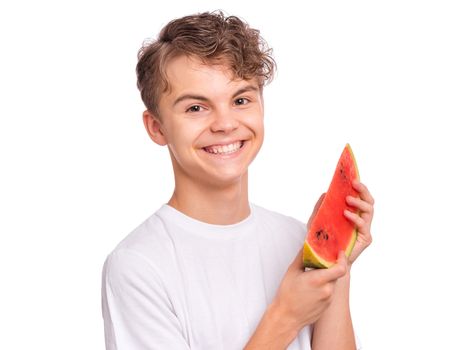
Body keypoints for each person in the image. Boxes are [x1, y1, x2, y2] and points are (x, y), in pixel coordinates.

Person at [101, 10, 374, 350]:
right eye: (196, 108)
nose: (225, 123)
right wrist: (286, 315)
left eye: (241, 100)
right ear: (156, 127)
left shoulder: (295, 238)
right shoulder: (138, 266)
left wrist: (337, 264)